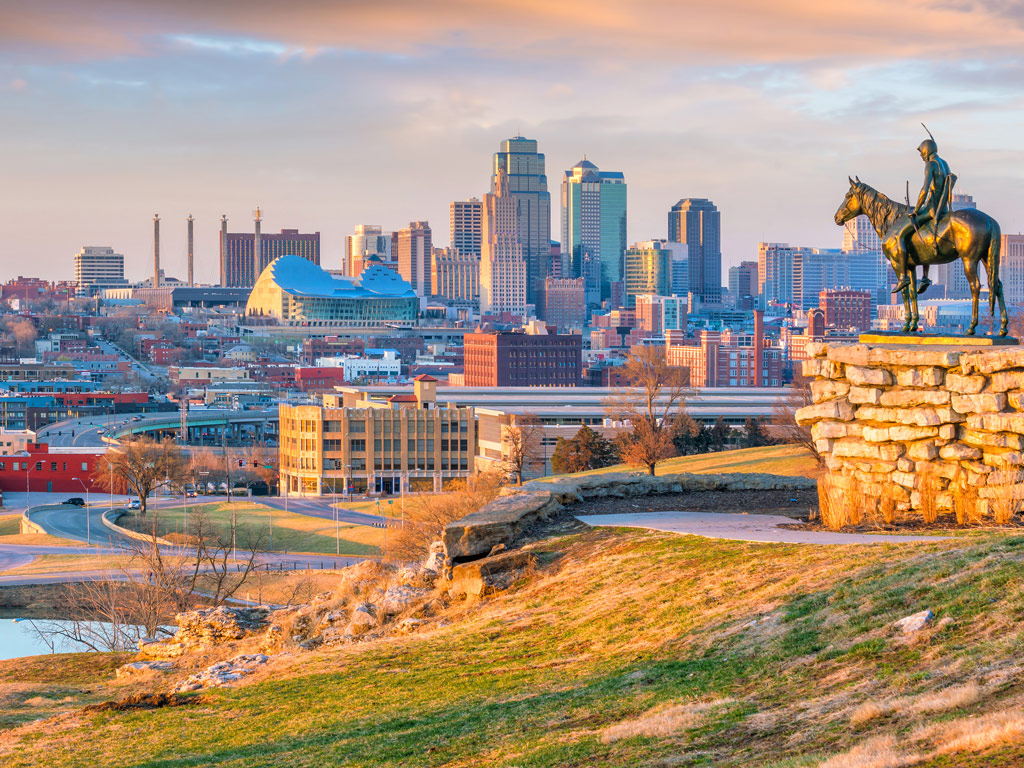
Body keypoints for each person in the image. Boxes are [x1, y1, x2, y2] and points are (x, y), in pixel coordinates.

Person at [891, 136, 954, 294]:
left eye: (921, 154)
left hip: (931, 209)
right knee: (923, 236)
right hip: (943, 208)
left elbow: (925, 190)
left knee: (900, 236)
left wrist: (916, 209)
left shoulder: (930, 165)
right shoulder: (944, 164)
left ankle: (904, 276)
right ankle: (925, 277)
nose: (921, 157)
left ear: (926, 151)